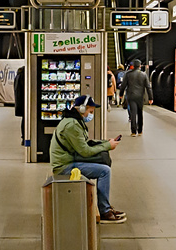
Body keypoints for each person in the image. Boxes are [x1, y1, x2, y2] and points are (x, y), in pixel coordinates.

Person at [50, 94, 125, 222]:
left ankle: (104, 207)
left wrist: (104, 143)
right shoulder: (73, 125)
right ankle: (104, 211)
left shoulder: (74, 121)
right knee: (104, 171)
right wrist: (107, 146)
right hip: (64, 167)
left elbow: (83, 143)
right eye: (90, 111)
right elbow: (85, 151)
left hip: (68, 160)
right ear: (83, 109)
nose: (91, 114)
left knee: (103, 165)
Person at [121, 61, 150, 136]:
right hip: (140, 97)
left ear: (133, 66)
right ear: (140, 66)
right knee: (140, 113)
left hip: (131, 96)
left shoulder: (128, 74)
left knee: (133, 113)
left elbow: (123, 85)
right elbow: (148, 87)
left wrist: (121, 94)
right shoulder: (144, 75)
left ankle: (133, 132)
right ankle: (140, 131)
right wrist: (151, 97)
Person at [13, 63, 27, 145]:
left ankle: (24, 137)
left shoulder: (18, 75)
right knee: (25, 119)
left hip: (21, 102)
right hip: (24, 102)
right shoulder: (23, 76)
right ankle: (25, 137)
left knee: (24, 119)